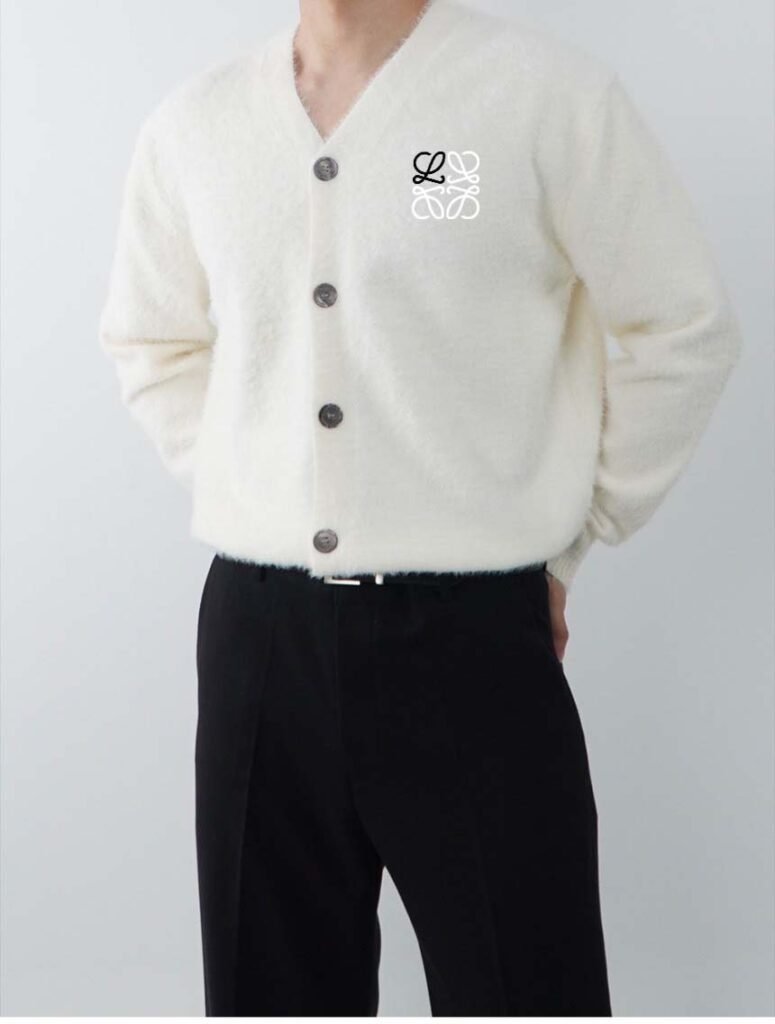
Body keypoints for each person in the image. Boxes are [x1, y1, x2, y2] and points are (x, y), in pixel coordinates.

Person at [98, 0, 742, 1015]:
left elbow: (683, 328)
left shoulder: (541, 97)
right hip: (260, 642)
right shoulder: (196, 125)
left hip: (472, 639)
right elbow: (150, 340)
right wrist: (262, 477)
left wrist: (575, 535)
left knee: (527, 990)